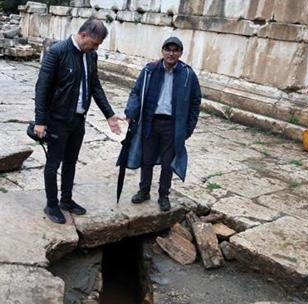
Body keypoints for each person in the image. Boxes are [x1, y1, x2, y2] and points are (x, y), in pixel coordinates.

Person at [34, 17, 125, 224]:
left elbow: (95, 86)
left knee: (71, 162)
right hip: (57, 119)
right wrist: (40, 121)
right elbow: (42, 88)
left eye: (98, 45)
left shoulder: (91, 56)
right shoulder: (57, 52)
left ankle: (66, 200)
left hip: (78, 119)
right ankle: (52, 204)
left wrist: (109, 115)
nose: (95, 48)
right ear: (83, 35)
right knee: (53, 163)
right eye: (94, 43)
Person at [123, 36, 201, 211]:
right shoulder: (150, 70)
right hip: (151, 121)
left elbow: (196, 102)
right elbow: (135, 92)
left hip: (173, 126)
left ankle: (163, 195)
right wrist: (131, 111)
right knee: (147, 159)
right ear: (163, 51)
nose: (171, 53)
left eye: (175, 50)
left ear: (180, 53)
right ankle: (144, 191)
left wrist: (189, 128)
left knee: (168, 163)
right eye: (168, 49)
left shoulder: (188, 74)